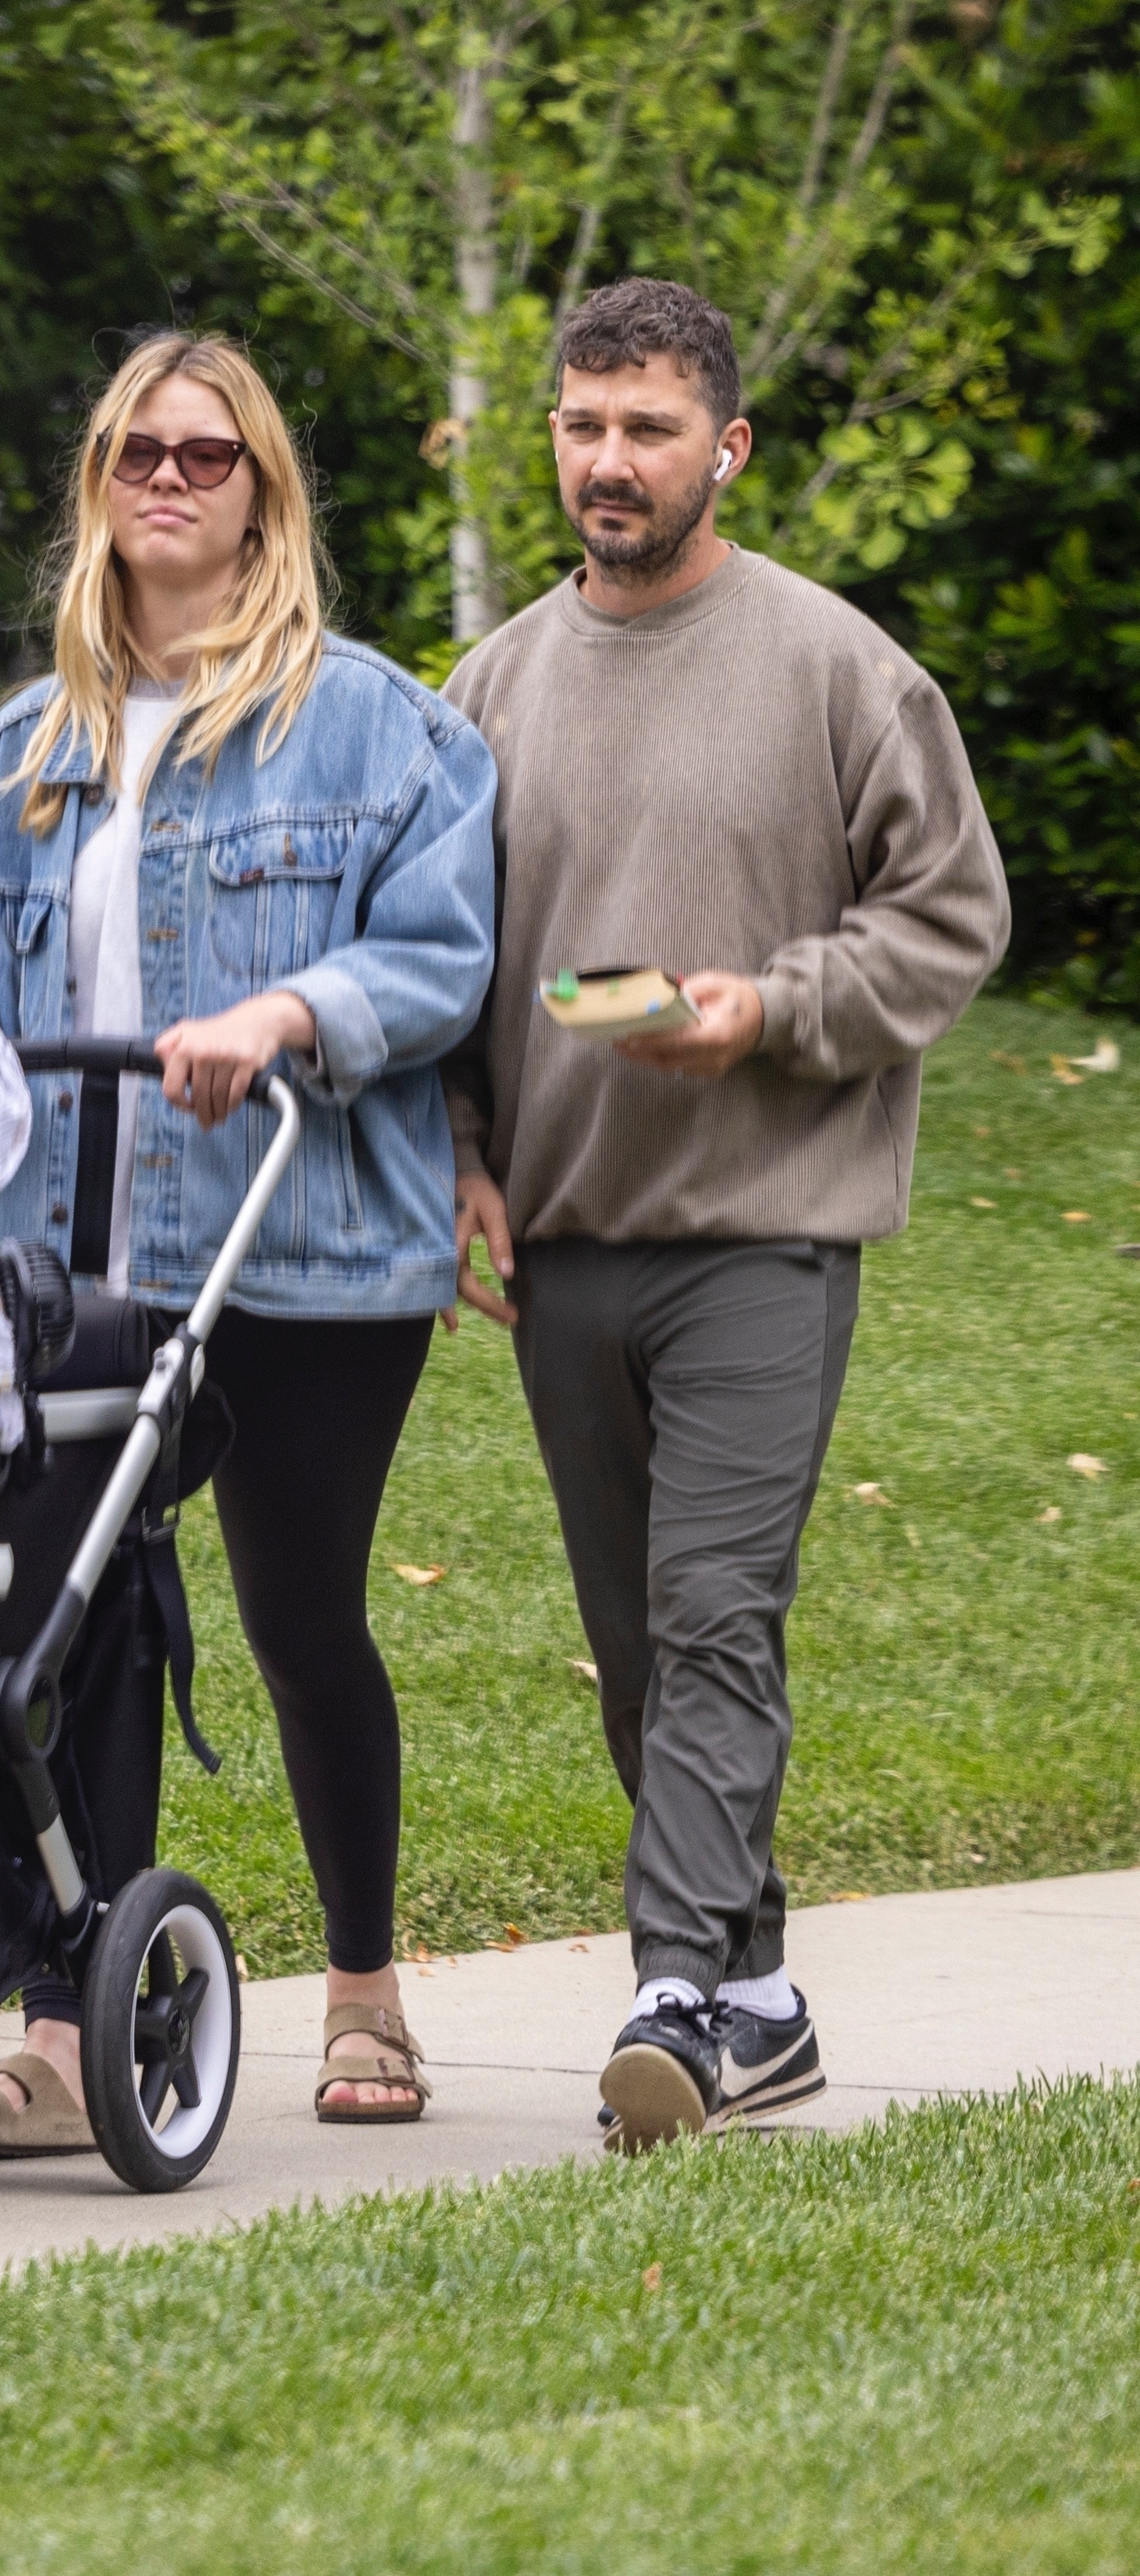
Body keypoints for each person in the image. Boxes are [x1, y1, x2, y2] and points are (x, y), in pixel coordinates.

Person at [0, 328, 495, 2149]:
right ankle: (74, 2034)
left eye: (206, 456)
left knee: (300, 1615)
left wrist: (292, 1014)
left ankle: (366, 1988)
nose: (167, 477)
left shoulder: (383, 725)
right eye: (135, 451)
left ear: (264, 494)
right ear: (98, 487)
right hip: (74, 1262)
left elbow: (440, 954)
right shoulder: (28, 750)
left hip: (298, 1252)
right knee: (74, 1628)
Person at [439, 276, 1010, 2152]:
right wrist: (460, 1156)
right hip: (573, 1245)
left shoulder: (841, 670)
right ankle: (754, 1995)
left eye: (651, 429)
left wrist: (770, 1010)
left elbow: (950, 916)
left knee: (710, 1613)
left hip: (765, 1229)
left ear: (727, 447)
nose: (612, 461)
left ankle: (672, 1982)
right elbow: (438, 963)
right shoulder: (492, 687)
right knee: (645, 1636)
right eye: (584, 426)